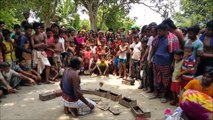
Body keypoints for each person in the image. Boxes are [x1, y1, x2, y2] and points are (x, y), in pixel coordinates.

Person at [149, 23, 179, 103]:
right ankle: (156, 93)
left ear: (166, 30)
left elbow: (174, 53)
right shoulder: (157, 38)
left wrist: (173, 63)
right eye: (158, 31)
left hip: (166, 63)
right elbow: (153, 49)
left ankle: (164, 95)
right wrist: (149, 59)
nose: (158, 33)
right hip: (156, 61)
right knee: (156, 78)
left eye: (160, 31)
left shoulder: (173, 39)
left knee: (165, 80)